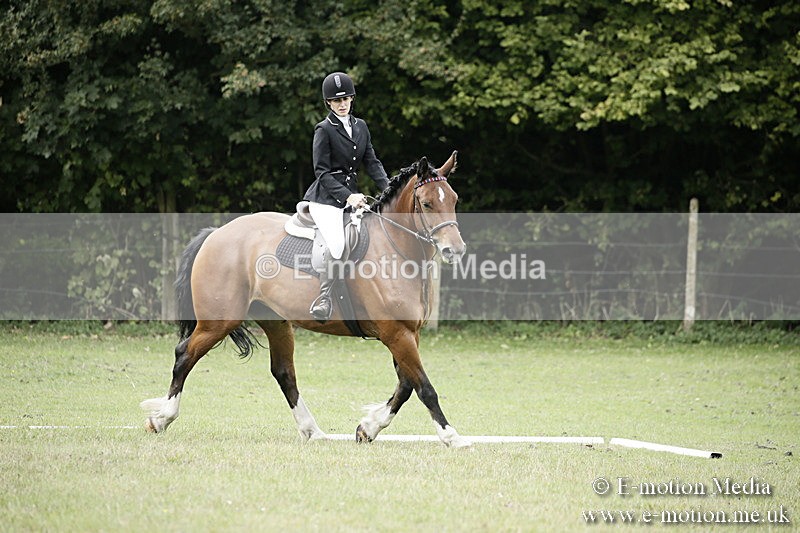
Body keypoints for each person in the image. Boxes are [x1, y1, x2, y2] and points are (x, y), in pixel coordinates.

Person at [303, 71, 390, 321]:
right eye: (336, 101)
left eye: (346, 99)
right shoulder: (324, 129)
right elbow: (321, 172)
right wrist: (347, 197)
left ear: (352, 99)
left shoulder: (360, 126)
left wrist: (389, 189)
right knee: (338, 243)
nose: (342, 104)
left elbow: (371, 162)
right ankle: (324, 297)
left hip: (354, 198)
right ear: (328, 103)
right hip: (326, 199)